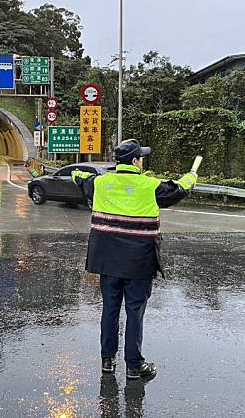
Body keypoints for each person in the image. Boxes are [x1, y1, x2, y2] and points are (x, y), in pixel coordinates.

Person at [72, 139, 197, 380]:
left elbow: (77, 175)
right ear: (135, 161)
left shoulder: (100, 183)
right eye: (141, 157)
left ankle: (107, 361)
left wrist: (108, 175)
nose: (142, 160)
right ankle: (134, 365)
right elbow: (178, 189)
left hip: (107, 261)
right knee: (134, 311)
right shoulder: (149, 186)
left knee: (109, 309)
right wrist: (191, 176)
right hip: (138, 261)